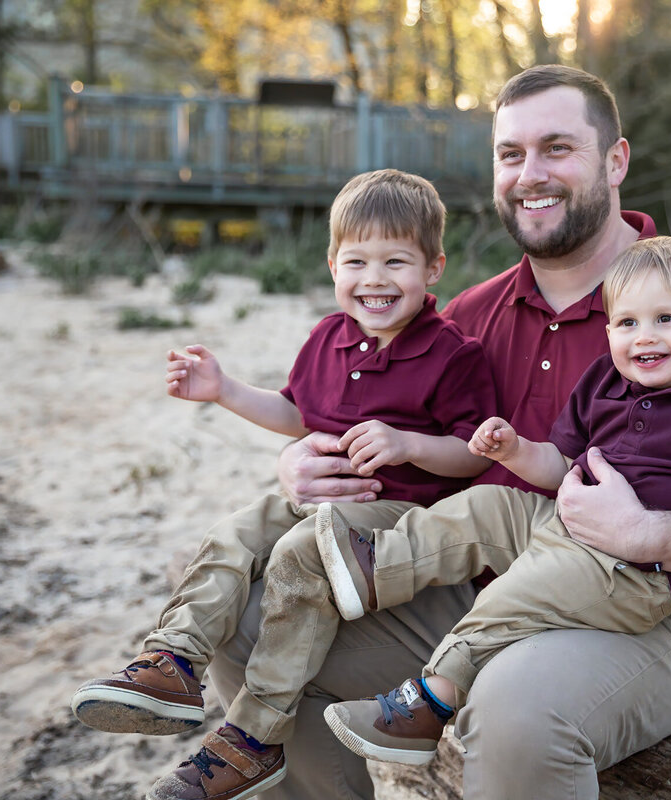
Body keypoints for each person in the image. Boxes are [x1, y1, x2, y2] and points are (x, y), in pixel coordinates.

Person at [210, 64, 671, 800]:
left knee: (511, 717)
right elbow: (396, 453)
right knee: (246, 626)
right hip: (466, 592)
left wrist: (648, 533)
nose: (530, 175)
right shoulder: (465, 319)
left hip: (644, 615)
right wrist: (306, 466)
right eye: (511, 155)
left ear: (616, 160)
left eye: (557, 148)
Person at [68, 168, 496, 800]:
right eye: (356, 261)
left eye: (395, 261)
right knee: (236, 532)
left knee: (298, 566)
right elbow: (296, 413)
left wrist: (408, 445)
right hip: (314, 505)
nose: (374, 279)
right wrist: (224, 391)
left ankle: (253, 736)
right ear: (331, 265)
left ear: (433, 268)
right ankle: (173, 660)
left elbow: (472, 455)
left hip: (397, 520)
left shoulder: (452, 354)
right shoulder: (327, 338)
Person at [318, 235, 671, 765]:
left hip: (635, 575)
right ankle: (376, 568)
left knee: (517, 592)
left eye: (667, 320)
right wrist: (515, 450)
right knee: (488, 505)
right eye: (627, 323)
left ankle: (430, 701)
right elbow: (558, 464)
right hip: (564, 528)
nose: (644, 337)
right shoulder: (605, 382)